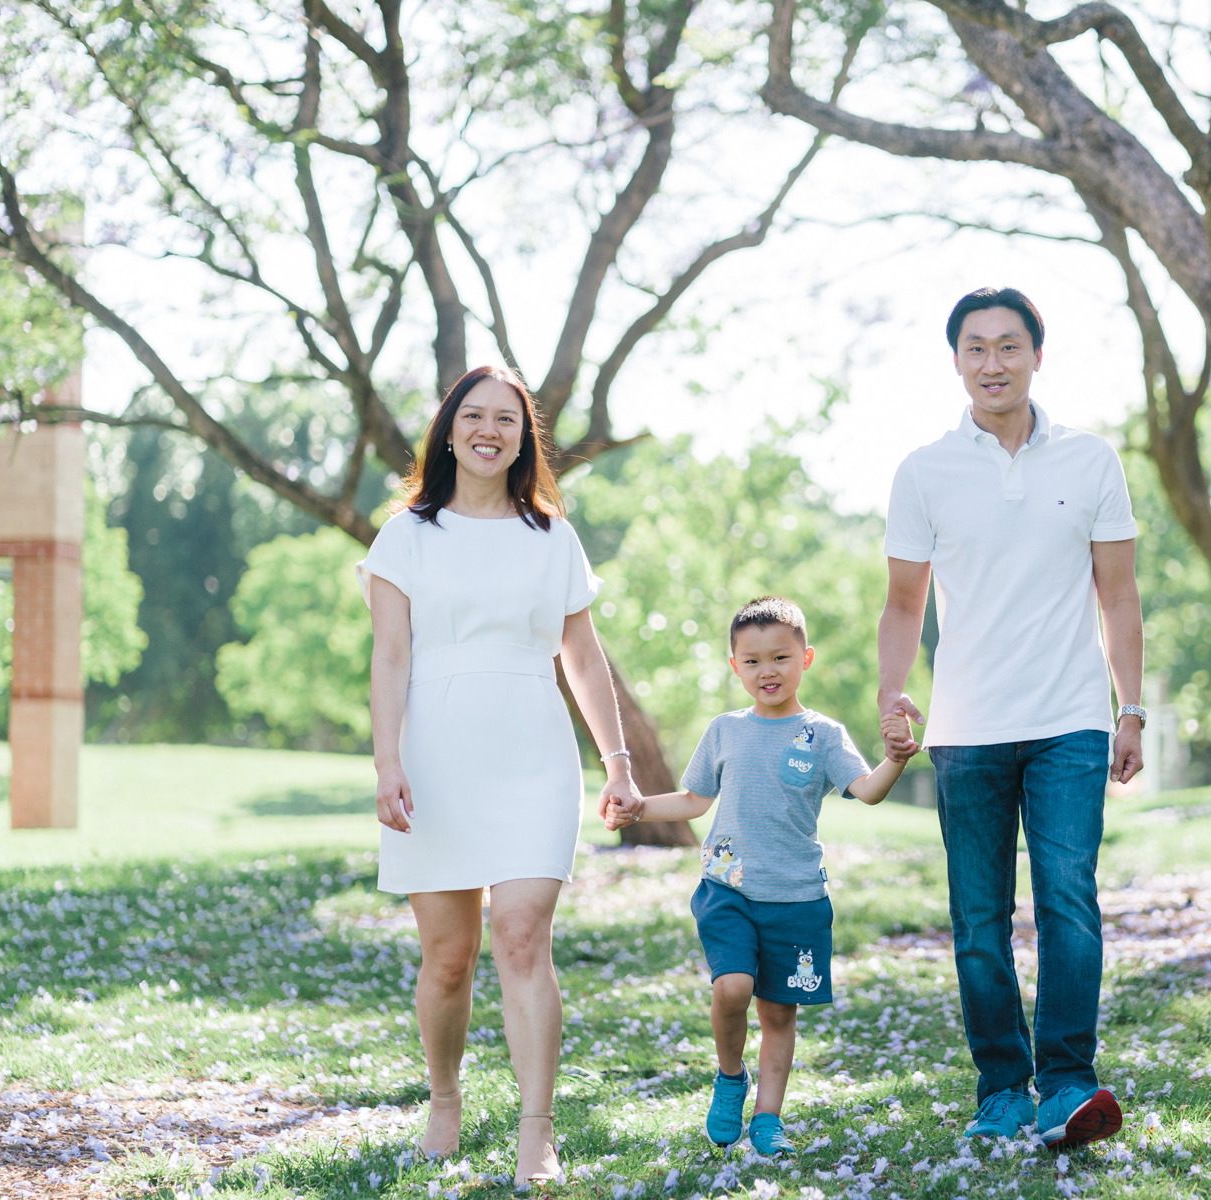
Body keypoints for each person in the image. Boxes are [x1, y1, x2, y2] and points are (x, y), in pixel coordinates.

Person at [877, 287, 1146, 1150]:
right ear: (955, 360)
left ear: (1037, 355)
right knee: (978, 920)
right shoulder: (924, 471)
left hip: (1071, 718)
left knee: (1070, 902)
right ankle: (1002, 1084)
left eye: (1009, 347)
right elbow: (901, 603)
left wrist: (1130, 707)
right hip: (966, 729)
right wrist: (892, 694)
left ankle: (1068, 1079)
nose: (993, 363)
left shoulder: (1091, 460)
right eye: (976, 348)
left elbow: (1119, 594)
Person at [360, 364, 638, 1188]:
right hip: (434, 752)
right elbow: (391, 655)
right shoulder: (406, 534)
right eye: (474, 416)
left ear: (524, 438)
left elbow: (582, 657)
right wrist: (386, 762)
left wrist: (617, 760)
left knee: (523, 937)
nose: (490, 430)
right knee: (449, 957)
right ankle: (444, 1101)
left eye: (507, 420)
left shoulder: (552, 534)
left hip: (532, 750)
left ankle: (536, 1134)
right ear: (449, 430)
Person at [603, 596, 914, 1154]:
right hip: (729, 889)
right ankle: (730, 1078)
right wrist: (639, 806)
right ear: (734, 665)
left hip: (796, 898)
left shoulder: (824, 735)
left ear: (806, 659)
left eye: (779, 658)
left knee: (777, 1012)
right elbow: (696, 800)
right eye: (752, 661)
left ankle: (768, 1118)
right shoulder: (725, 730)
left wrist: (896, 757)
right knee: (733, 988)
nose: (766, 671)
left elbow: (866, 791)